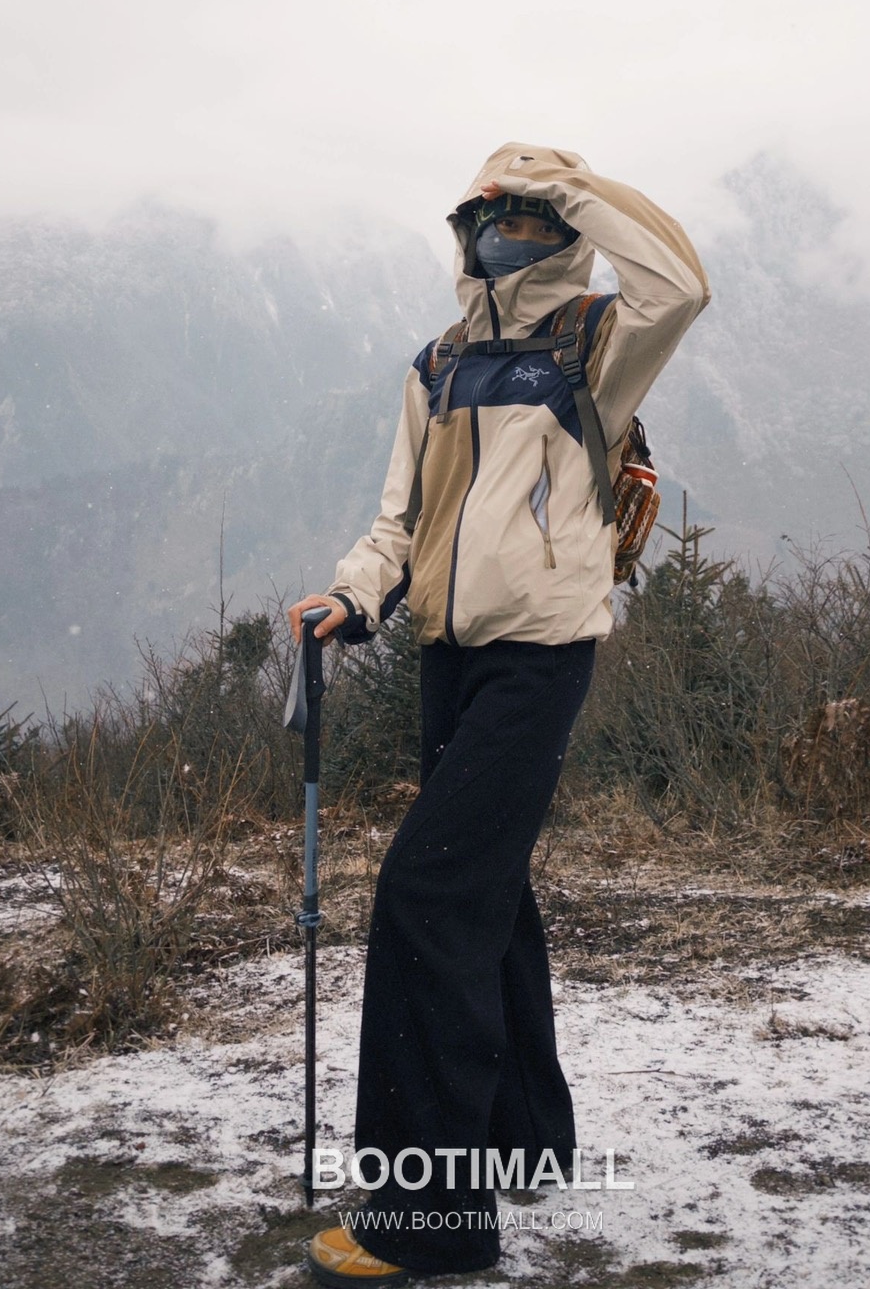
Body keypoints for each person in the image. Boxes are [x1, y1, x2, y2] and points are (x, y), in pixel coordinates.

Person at [291, 143, 709, 1285]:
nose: (506, 233)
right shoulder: (438, 364)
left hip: (540, 661)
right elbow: (397, 522)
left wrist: (571, 187)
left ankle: (430, 1221)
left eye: (531, 218)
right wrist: (351, 591)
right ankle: (525, 1139)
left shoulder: (599, 348)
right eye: (491, 214)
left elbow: (683, 282)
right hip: (448, 659)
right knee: (488, 891)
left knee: (428, 894)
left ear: (565, 227)